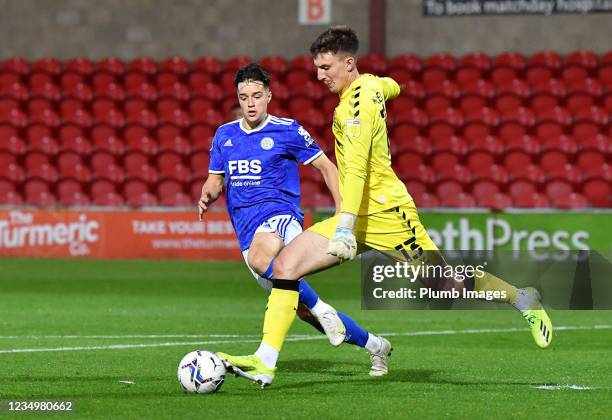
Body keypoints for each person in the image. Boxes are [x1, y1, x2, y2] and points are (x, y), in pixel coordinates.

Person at [217, 26, 554, 388]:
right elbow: (394, 85)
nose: (319, 75)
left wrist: (344, 226)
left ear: (348, 63)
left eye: (326, 67)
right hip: (356, 214)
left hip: (386, 214)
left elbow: (358, 171)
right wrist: (381, 84)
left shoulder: (354, 112)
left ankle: (521, 298)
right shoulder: (370, 86)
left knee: (445, 284)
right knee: (283, 267)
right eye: (317, 67)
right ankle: (265, 362)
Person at [198, 63, 392, 382]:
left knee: (265, 260)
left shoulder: (287, 130)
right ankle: (376, 345)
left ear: (269, 96)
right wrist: (208, 194)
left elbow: (328, 169)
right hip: (246, 230)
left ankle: (312, 312)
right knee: (300, 309)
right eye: (244, 96)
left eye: (257, 96)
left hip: (281, 216)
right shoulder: (225, 135)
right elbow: (215, 180)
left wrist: (344, 217)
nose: (250, 102)